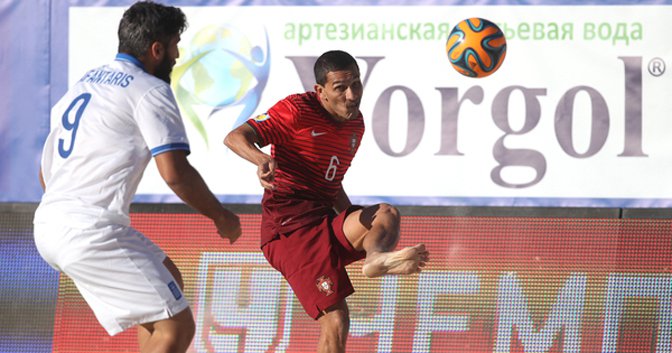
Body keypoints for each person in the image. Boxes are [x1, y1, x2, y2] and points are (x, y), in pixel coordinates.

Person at [32, 2, 241, 352]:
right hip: (90, 231)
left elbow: (44, 173)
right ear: (156, 49)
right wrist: (221, 216)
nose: (178, 53)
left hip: (49, 224)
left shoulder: (85, 84)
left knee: (168, 278)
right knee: (176, 328)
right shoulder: (150, 89)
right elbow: (175, 174)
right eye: (175, 43)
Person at [224, 49, 429, 353]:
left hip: (322, 221)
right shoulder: (295, 110)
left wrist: (355, 223)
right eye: (340, 88)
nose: (351, 95)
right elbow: (235, 136)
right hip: (290, 231)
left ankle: (375, 258)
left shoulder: (355, 125)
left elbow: (331, 186)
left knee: (385, 214)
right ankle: (373, 256)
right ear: (320, 91)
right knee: (335, 319)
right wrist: (261, 158)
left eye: (356, 84)